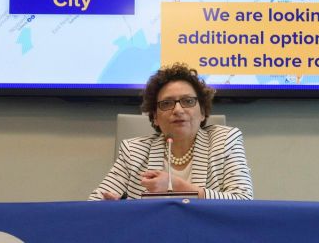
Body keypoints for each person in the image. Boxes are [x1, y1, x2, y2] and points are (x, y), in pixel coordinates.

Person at [89, 63, 253, 200]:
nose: (178, 110)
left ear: (203, 112)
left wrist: (177, 186)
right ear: (155, 117)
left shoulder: (225, 140)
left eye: (188, 101)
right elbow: (96, 202)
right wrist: (113, 207)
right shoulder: (133, 151)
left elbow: (243, 200)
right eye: (167, 103)